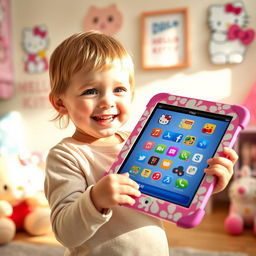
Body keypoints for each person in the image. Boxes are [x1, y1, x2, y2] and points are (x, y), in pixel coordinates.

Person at [44, 30, 238, 256]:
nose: (108, 101)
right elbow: (65, 232)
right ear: (60, 103)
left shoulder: (137, 140)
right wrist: (95, 199)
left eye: (119, 89)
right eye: (90, 91)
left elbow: (168, 190)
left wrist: (204, 185)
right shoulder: (66, 156)